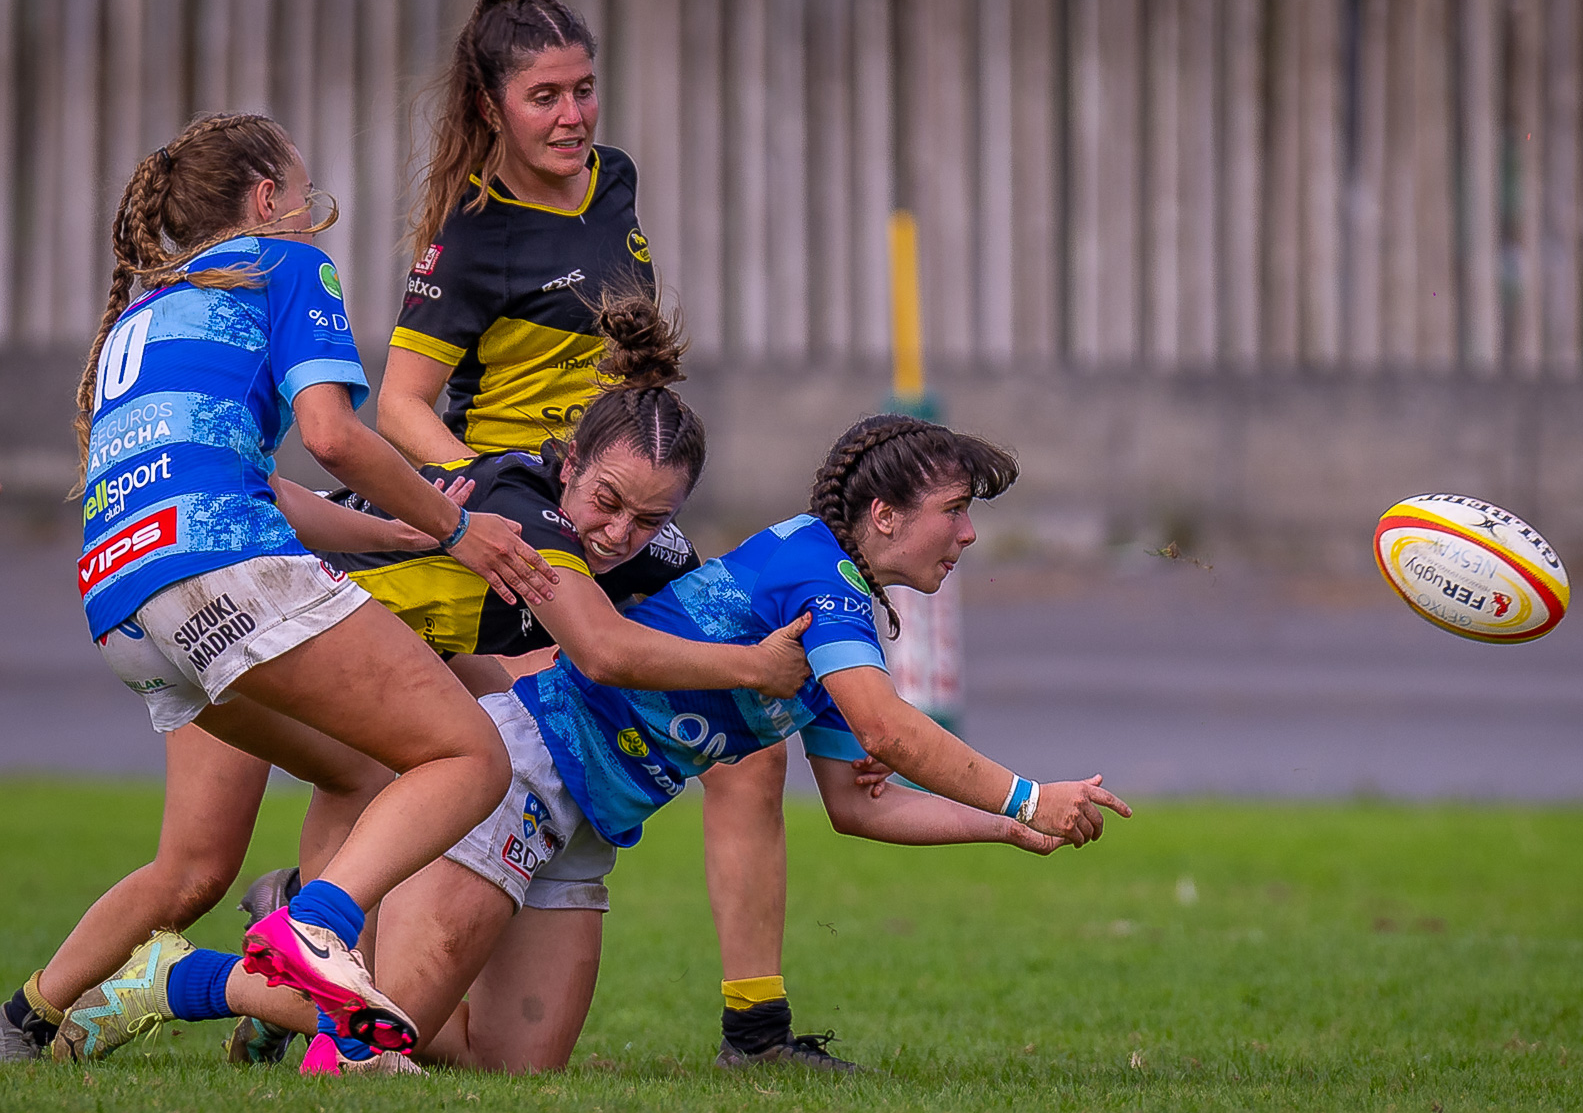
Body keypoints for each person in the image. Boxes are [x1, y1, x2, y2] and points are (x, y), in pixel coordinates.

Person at [76, 414, 1132, 1076]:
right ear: (888, 516)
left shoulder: (843, 609)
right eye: (957, 511)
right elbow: (894, 732)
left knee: (513, 1064)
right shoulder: (819, 576)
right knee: (373, 1039)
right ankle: (178, 977)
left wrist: (1005, 828)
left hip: (584, 828)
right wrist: (1027, 793)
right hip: (522, 773)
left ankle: (304, 930)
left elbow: (862, 801)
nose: (969, 533)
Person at [1, 113, 562, 1065]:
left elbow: (259, 480)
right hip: (222, 569)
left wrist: (389, 528)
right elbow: (333, 435)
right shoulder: (286, 261)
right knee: (470, 756)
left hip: (123, 601)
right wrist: (455, 528)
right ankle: (312, 931)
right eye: (306, 195)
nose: (312, 214)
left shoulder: (156, 304)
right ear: (267, 199)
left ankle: (27, 1020)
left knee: (323, 792)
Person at [370, 0, 843, 1069]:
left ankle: (756, 1027)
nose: (574, 115)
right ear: (491, 105)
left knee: (749, 735)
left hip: (614, 507)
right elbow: (397, 404)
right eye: (545, 96)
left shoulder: (612, 183)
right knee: (513, 714)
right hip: (530, 512)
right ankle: (309, 932)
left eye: (584, 89)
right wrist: (489, 497)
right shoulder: (474, 232)